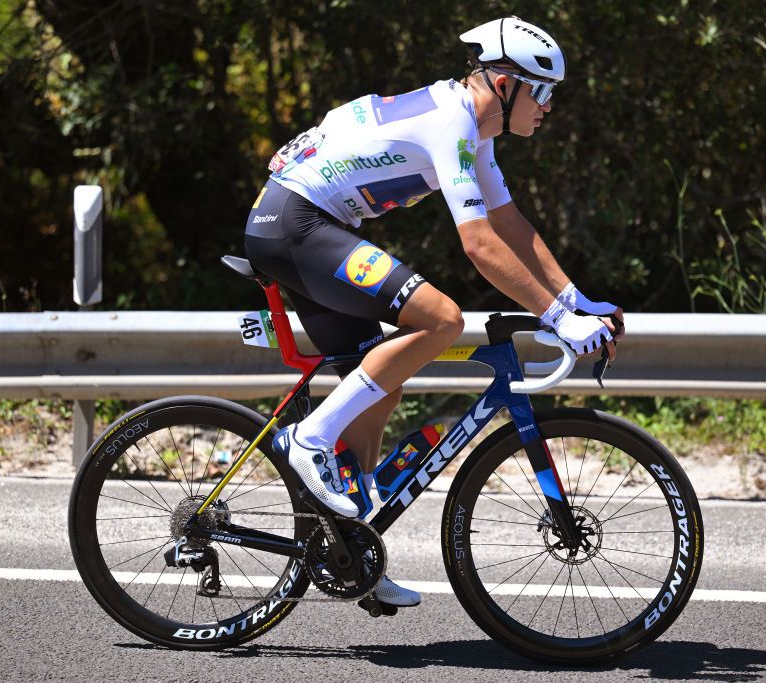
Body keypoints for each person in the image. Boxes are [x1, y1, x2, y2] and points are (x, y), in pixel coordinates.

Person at [243, 17, 623, 608]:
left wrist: (573, 302)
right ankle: (308, 439)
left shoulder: (476, 132)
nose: (549, 108)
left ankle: (354, 544)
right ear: (504, 83)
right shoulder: (453, 123)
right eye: (542, 92)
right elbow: (479, 245)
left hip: (309, 223)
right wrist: (556, 319)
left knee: (379, 382)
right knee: (441, 319)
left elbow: (510, 226)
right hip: (297, 224)